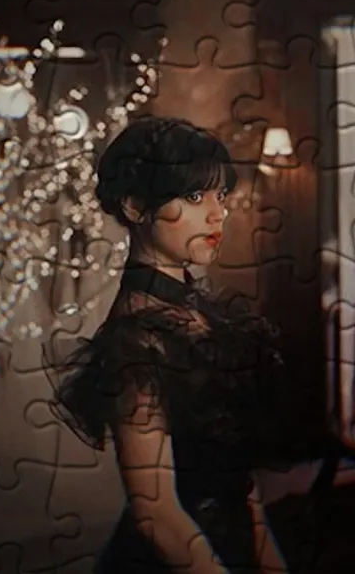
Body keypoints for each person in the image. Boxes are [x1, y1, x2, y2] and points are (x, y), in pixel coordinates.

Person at [47, 115, 290, 573]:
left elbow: (240, 480)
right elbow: (156, 513)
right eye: (195, 197)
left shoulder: (203, 313)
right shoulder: (138, 341)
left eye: (220, 196)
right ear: (135, 205)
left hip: (232, 541)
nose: (217, 213)